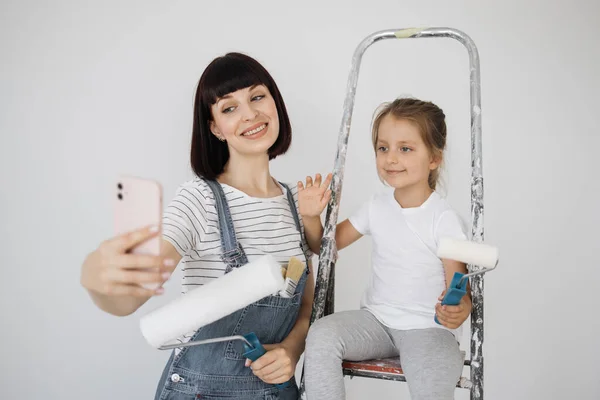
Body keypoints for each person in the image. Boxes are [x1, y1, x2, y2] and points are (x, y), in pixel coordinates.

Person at [80, 52, 315, 400]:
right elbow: (128, 299)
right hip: (202, 392)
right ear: (215, 128)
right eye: (229, 107)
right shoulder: (199, 199)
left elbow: (308, 304)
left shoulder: (301, 202)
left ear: (275, 102)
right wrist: (96, 278)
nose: (250, 113)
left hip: (276, 392)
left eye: (257, 96)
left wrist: (291, 351)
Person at [298, 98, 472, 400]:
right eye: (383, 148)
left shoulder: (443, 219)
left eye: (405, 148)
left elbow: (459, 288)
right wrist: (311, 216)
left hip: (428, 329)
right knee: (322, 334)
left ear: (434, 158)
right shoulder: (376, 207)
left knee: (434, 382)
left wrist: (458, 309)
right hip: (376, 322)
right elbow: (323, 247)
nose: (391, 158)